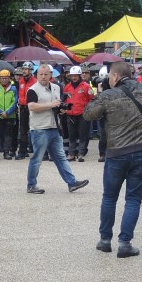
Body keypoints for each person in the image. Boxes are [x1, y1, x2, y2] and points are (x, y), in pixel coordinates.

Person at [83, 61, 142, 257]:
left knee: (109, 197)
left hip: (117, 153)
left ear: (114, 76)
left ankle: (105, 240)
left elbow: (88, 114)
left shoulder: (108, 95)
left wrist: (101, 92)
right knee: (133, 199)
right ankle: (125, 243)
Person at [23, 65, 90, 195]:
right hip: (40, 128)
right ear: (37, 75)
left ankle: (72, 183)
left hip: (54, 127)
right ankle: (31, 185)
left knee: (61, 158)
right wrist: (51, 105)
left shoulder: (56, 87)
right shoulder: (32, 89)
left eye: (46, 74)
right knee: (37, 159)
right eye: (41, 74)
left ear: (50, 75)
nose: (43, 77)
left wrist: (61, 109)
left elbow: (56, 104)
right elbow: (31, 107)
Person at [63, 66, 94, 161]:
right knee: (71, 136)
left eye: (76, 76)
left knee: (82, 135)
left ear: (79, 75)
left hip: (82, 114)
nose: (74, 78)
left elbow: (92, 99)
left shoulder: (86, 86)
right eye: (72, 76)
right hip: (70, 114)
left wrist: (88, 110)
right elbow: (64, 100)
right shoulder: (67, 87)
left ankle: (81, 153)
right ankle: (71, 154)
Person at [0, 69, 18, 160]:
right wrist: (1, 112)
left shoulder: (13, 89)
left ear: (9, 78)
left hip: (10, 116)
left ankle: (6, 153)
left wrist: (7, 112)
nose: (4, 80)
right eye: (2, 78)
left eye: (6, 78)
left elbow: (15, 102)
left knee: (8, 135)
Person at [16, 63, 36, 157]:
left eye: (26, 69)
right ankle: (22, 151)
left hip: (32, 107)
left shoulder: (35, 81)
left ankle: (36, 150)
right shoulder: (20, 81)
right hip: (22, 107)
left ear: (31, 70)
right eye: (23, 69)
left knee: (34, 129)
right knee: (23, 130)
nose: (24, 71)